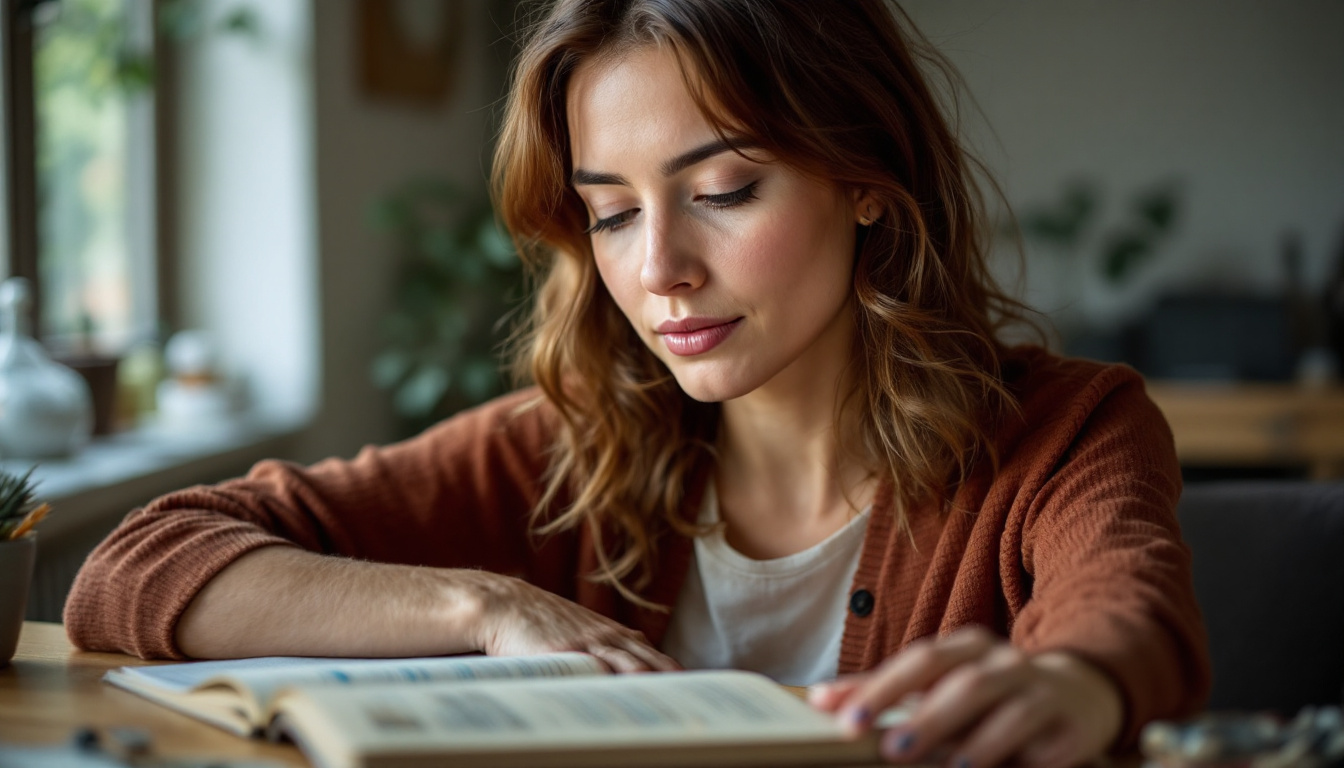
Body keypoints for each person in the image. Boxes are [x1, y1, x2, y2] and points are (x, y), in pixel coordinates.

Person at [65, 1, 1210, 766]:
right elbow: (136, 566)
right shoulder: (567, 445)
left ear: (865, 177)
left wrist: (1076, 683)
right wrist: (483, 609)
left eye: (723, 191)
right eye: (611, 213)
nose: (659, 268)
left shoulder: (1068, 430)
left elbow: (1130, 618)